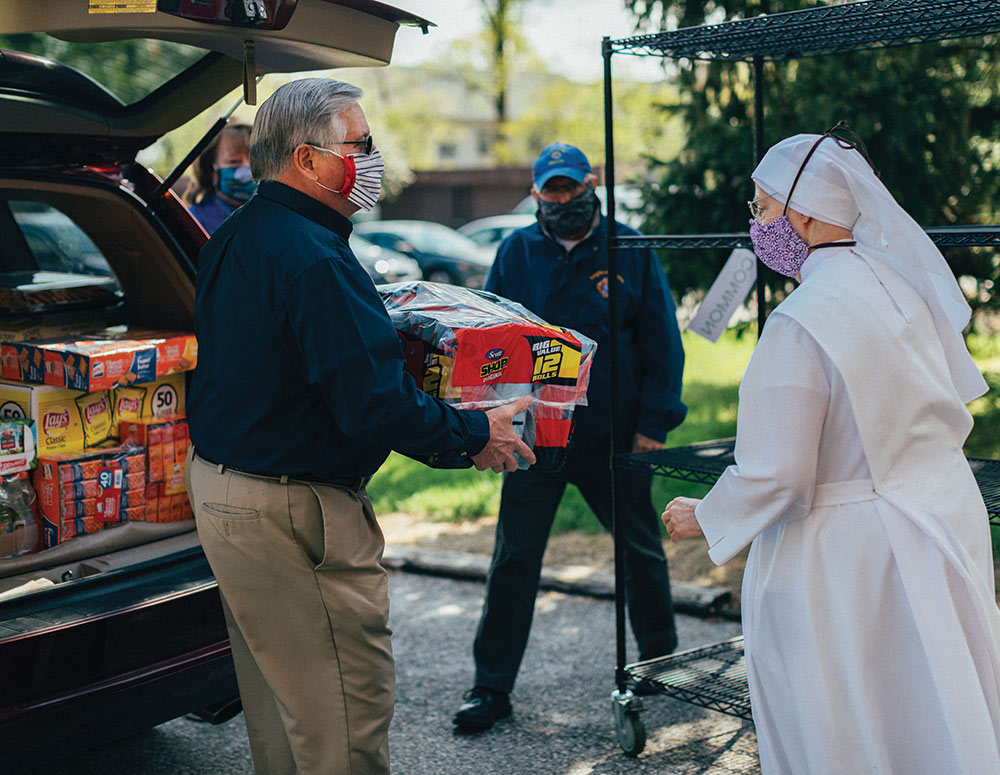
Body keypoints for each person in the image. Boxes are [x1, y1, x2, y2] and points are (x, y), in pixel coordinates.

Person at [185, 78, 536, 775]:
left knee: (284, 716)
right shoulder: (314, 255)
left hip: (224, 492)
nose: (372, 158)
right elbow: (371, 401)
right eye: (361, 145)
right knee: (343, 722)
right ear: (307, 159)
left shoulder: (237, 235)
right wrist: (474, 433)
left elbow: (283, 364)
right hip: (295, 509)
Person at [662, 124, 1000, 774]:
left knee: (854, 724)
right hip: (938, 526)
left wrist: (705, 513)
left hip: (850, 560)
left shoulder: (802, 319)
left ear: (807, 211)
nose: (757, 223)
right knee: (935, 715)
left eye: (762, 207)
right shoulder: (902, 289)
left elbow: (780, 473)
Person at [453, 143, 687, 732]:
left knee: (638, 551)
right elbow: (489, 339)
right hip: (534, 436)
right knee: (514, 557)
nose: (562, 200)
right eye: (550, 191)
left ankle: (662, 662)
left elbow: (662, 340)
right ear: (536, 194)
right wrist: (490, 418)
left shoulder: (628, 246)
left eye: (570, 188)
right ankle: (491, 686)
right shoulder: (516, 250)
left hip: (615, 434)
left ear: (592, 183)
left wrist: (655, 423)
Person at [183, 122, 255, 234]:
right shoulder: (193, 221)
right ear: (210, 169)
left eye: (256, 160)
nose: (248, 167)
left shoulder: (277, 216)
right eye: (234, 161)